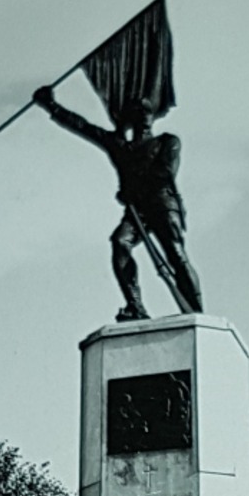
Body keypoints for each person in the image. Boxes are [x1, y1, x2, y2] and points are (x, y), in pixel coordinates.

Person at [32, 85, 204, 321]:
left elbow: (165, 172)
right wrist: (51, 105)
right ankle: (136, 306)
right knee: (120, 242)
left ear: (152, 116)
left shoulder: (167, 141)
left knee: (175, 254)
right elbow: (84, 127)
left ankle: (197, 313)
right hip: (137, 210)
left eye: (147, 111)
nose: (144, 115)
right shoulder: (120, 146)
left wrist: (130, 187)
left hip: (162, 203)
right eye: (139, 111)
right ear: (132, 118)